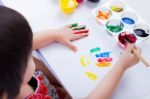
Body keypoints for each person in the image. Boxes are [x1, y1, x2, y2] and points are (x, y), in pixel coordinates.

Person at [0, 5, 141, 99]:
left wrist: (55, 34)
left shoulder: (7, 69)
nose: (31, 51)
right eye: (28, 57)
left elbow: (19, 43)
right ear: (14, 78)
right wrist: (121, 66)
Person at [0, 6, 88, 99]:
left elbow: (21, 43)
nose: (31, 49)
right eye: (29, 56)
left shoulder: (7, 71)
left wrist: (55, 34)